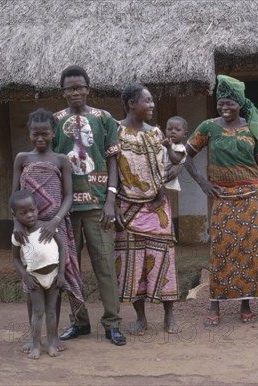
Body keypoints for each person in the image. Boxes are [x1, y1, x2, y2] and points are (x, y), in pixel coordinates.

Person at [184, 75, 258, 326]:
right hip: (222, 198)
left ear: (240, 103)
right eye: (220, 103)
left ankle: (245, 304)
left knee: (249, 252)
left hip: (251, 199)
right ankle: (215, 306)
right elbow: (186, 156)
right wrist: (203, 183)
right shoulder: (208, 127)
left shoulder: (255, 128)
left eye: (230, 103)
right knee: (221, 251)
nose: (224, 108)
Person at [52, 65, 126, 346]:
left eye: (80, 87)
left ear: (88, 88)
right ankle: (79, 322)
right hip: (67, 210)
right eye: (70, 88)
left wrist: (111, 199)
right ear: (63, 92)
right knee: (70, 268)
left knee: (105, 265)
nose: (75, 92)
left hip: (98, 207)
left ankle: (112, 323)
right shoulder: (55, 120)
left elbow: (112, 161)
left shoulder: (104, 118)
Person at [11, 107, 83, 354]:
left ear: (53, 133)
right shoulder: (22, 158)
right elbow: (14, 195)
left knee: (55, 281)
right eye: (35, 134)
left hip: (55, 227)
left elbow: (68, 196)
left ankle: (53, 338)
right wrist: (17, 224)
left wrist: (55, 221)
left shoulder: (61, 160)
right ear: (29, 133)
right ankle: (34, 339)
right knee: (30, 285)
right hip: (28, 230)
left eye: (45, 134)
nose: (39, 138)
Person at [114, 84, 179, 335]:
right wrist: (112, 202)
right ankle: (140, 317)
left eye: (152, 101)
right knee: (132, 262)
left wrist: (162, 190)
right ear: (132, 104)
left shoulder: (155, 134)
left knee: (164, 258)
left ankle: (169, 315)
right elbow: (112, 168)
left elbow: (166, 165)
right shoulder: (116, 132)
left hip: (156, 207)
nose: (152, 105)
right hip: (127, 207)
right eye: (147, 101)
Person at [10, 190, 66, 359]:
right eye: (23, 213)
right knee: (38, 312)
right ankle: (35, 344)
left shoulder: (47, 227)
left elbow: (62, 248)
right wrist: (26, 276)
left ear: (37, 209)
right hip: (34, 278)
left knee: (51, 311)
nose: (29, 215)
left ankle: (51, 343)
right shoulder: (18, 235)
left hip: (54, 275)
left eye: (32, 210)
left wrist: (62, 273)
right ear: (15, 215)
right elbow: (15, 259)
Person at [161, 116, 188, 191]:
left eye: (178, 130)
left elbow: (176, 160)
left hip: (169, 179)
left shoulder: (180, 147)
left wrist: (168, 147)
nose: (173, 132)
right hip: (160, 175)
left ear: (185, 134)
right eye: (169, 129)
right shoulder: (166, 143)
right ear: (165, 131)